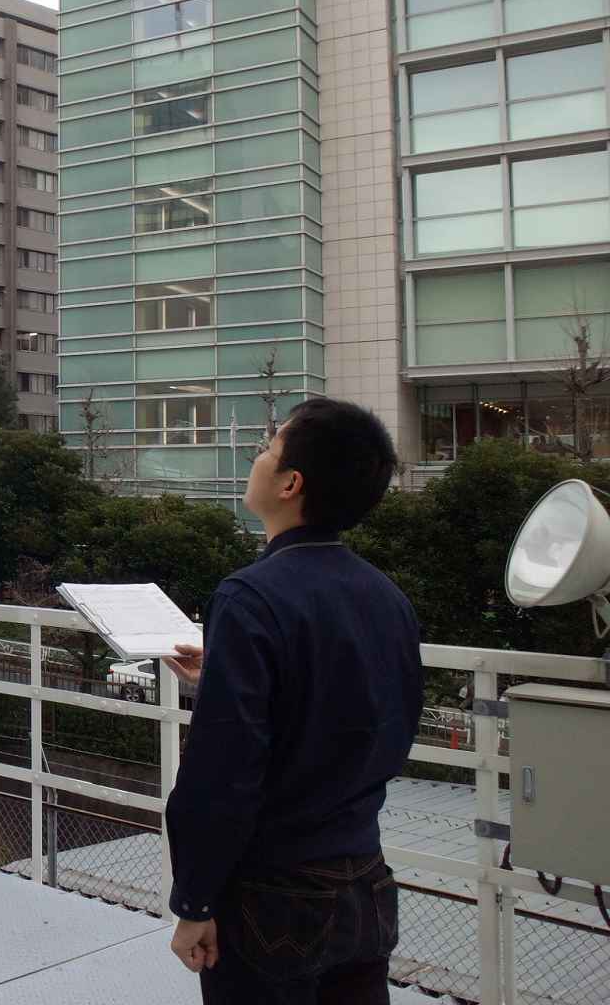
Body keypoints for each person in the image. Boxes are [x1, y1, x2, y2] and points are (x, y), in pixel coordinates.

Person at [161, 397, 422, 1004]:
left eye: (269, 447)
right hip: (366, 885)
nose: (257, 457)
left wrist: (194, 901)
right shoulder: (386, 595)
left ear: (290, 483)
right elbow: (375, 719)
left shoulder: (250, 596)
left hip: (272, 897)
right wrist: (219, 676)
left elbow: (222, 771)